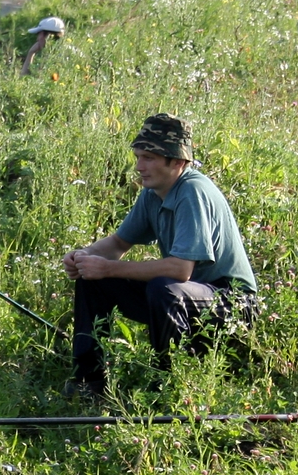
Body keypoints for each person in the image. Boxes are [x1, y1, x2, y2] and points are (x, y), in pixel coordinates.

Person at [63, 113, 257, 394]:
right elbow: (119, 243)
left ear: (177, 162)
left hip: (233, 303)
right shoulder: (153, 192)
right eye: (139, 156)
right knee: (92, 278)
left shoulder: (193, 191)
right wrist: (84, 257)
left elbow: (180, 270)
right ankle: (88, 380)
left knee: (164, 288)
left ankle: (166, 386)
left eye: (149, 158)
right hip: (192, 295)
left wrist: (107, 268)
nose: (140, 166)